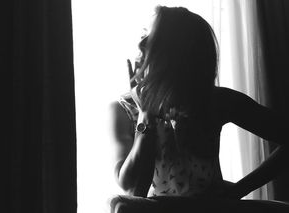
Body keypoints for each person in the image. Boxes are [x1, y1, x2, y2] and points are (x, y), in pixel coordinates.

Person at [111, 6, 288, 198]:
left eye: (153, 36)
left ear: (177, 49)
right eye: (143, 34)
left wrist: (238, 191)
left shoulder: (215, 101)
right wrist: (145, 116)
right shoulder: (124, 109)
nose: (140, 44)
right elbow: (131, 188)